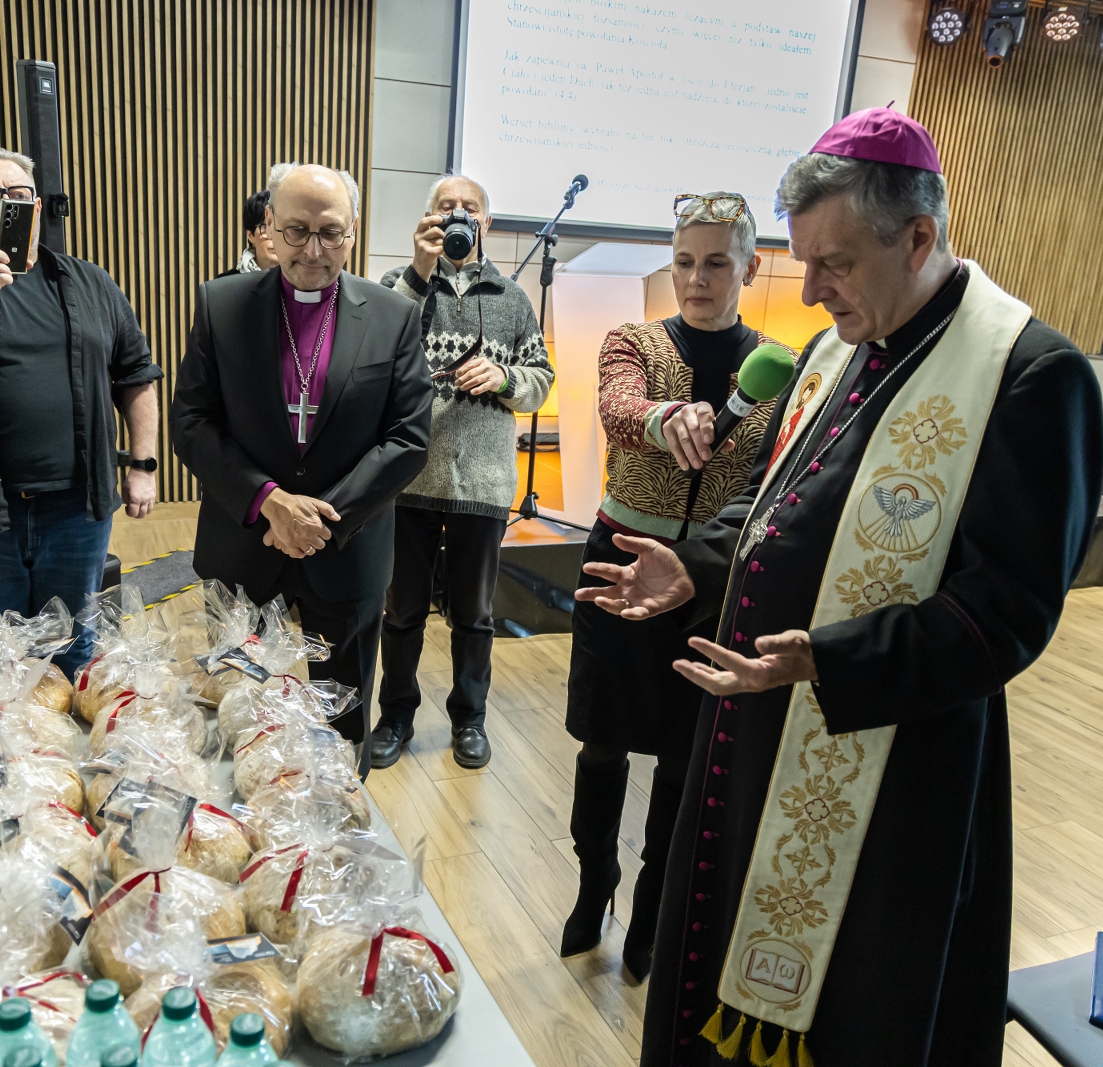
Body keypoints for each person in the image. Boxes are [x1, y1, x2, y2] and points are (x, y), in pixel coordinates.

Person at [577, 109, 1102, 1066]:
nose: (813, 290)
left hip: (893, 764)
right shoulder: (838, 345)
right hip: (759, 722)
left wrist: (828, 659)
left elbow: (1009, 613)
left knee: (853, 1014)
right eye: (803, 261)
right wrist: (697, 564)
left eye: (836, 263)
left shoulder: (1029, 375)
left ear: (918, 237)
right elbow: (772, 502)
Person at [560, 192, 791, 979]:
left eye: (717, 262)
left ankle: (655, 906)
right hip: (622, 560)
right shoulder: (632, 341)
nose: (697, 278)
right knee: (602, 740)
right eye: (685, 261)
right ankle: (594, 880)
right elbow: (618, 408)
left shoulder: (784, 368)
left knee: (685, 757)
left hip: (716, 578)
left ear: (750, 268)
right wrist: (668, 419)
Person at [169, 162, 431, 773]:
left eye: (331, 233)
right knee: (240, 718)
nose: (313, 251)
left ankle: (341, 822)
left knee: (343, 726)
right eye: (296, 231)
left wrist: (319, 518)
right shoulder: (221, 304)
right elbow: (192, 421)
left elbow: (409, 437)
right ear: (268, 224)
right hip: (244, 542)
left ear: (353, 230)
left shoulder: (393, 316)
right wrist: (269, 501)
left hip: (346, 545)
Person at [0, 147, 161, 677]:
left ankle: (63, 732)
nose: (4, 207)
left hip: (77, 508)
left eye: (17, 196)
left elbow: (136, 373)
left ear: (37, 207)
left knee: (74, 650)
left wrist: (143, 465)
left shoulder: (91, 282)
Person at [366, 173, 553, 771]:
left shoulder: (513, 298)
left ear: (485, 223)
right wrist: (419, 272)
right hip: (408, 479)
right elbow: (376, 351)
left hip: (484, 481)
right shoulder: (397, 286)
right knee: (402, 612)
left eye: (468, 207)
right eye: (445, 206)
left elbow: (541, 380)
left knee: (474, 616)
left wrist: (505, 378)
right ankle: (394, 716)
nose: (457, 214)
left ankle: (469, 719)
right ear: (428, 218)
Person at [217, 188, 276, 277]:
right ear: (250, 235)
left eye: (279, 227)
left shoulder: (297, 280)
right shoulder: (226, 282)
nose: (275, 236)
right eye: (265, 227)